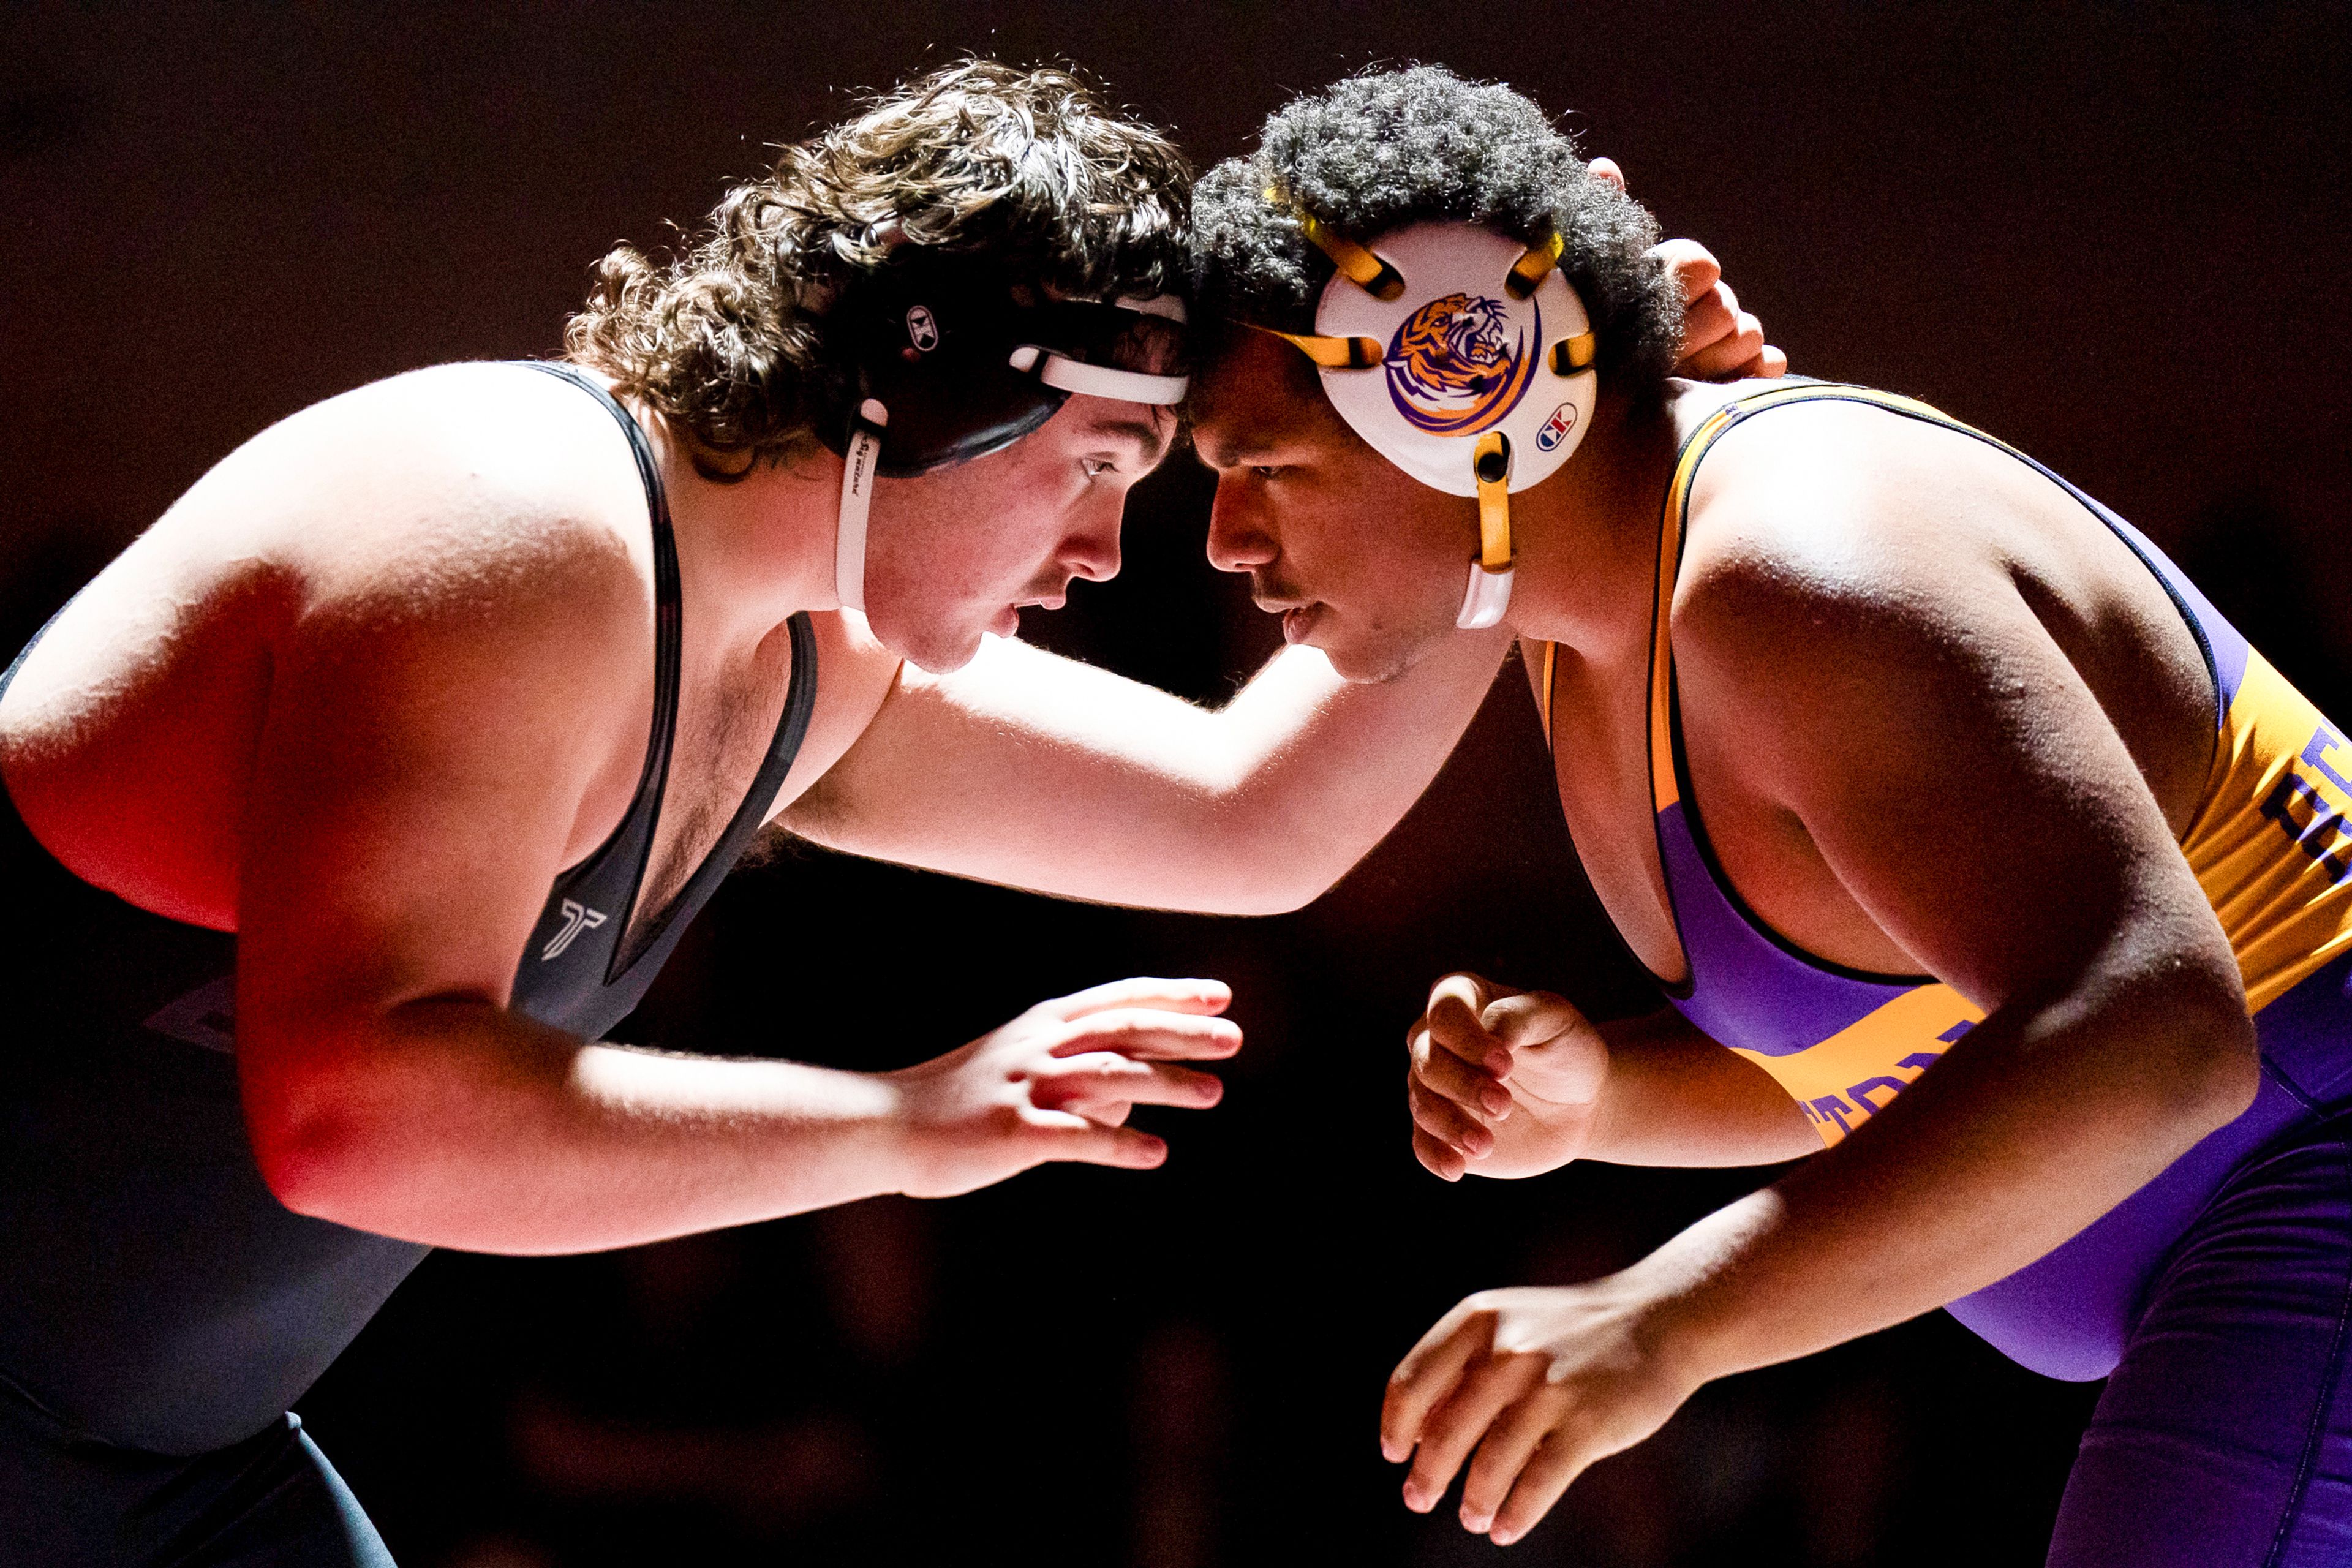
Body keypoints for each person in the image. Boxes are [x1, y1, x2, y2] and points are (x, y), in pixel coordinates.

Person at [0, 59, 1769, 1566]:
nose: (1101, 554)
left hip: (163, 1466)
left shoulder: (803, 659)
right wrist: (900, 1125)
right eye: (1093, 467)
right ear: (927, 387)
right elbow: (358, 1119)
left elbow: (1256, 823)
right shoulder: (514, 534)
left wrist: (1517, 455)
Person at [1182, 66, 2352, 1566]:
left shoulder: (1789, 571)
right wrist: (1603, 1098)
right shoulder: (1589, 622)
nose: (1226, 541)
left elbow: (2163, 1028)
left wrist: (1670, 1319)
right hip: (2250, 1252)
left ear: (1470, 390)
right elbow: (1911, 1029)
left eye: (1266, 468)